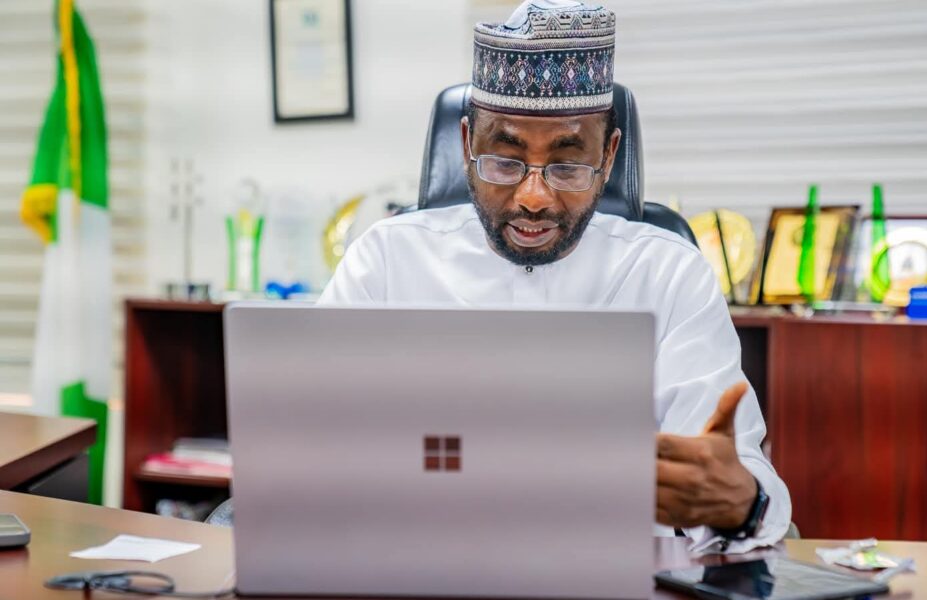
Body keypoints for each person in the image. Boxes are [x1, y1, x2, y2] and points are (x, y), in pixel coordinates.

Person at [318, 0, 791, 553]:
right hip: (412, 564)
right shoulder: (385, 262)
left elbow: (739, 479)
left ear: (609, 156)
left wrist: (740, 501)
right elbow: (311, 440)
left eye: (567, 165)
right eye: (505, 160)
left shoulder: (667, 273)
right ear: (467, 144)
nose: (534, 198)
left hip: (616, 575)